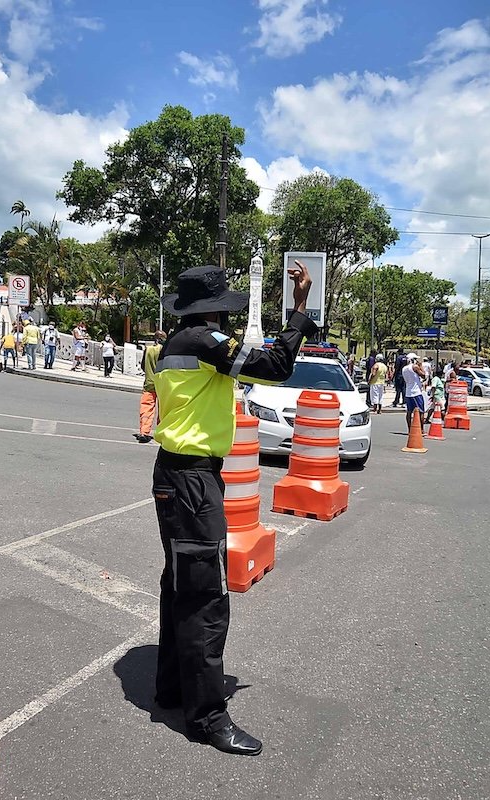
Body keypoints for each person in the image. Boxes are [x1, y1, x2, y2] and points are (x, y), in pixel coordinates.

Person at [150, 262, 315, 756]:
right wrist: (299, 310)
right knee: (204, 596)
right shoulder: (204, 343)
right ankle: (207, 717)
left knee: (180, 583)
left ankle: (173, 688)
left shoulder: (173, 345)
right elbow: (275, 365)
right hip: (193, 481)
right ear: (214, 309)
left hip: (176, 475)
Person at [135, 331, 166, 443]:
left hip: (149, 383)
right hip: (163, 384)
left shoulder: (148, 349)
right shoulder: (165, 350)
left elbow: (143, 366)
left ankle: (144, 432)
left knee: (146, 409)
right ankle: (161, 433)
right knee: (163, 410)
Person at [401, 353, 428, 433]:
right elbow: (424, 375)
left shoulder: (404, 369)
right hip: (416, 392)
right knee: (421, 411)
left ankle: (410, 429)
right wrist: (421, 367)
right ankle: (421, 429)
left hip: (408, 392)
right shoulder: (415, 367)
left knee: (409, 412)